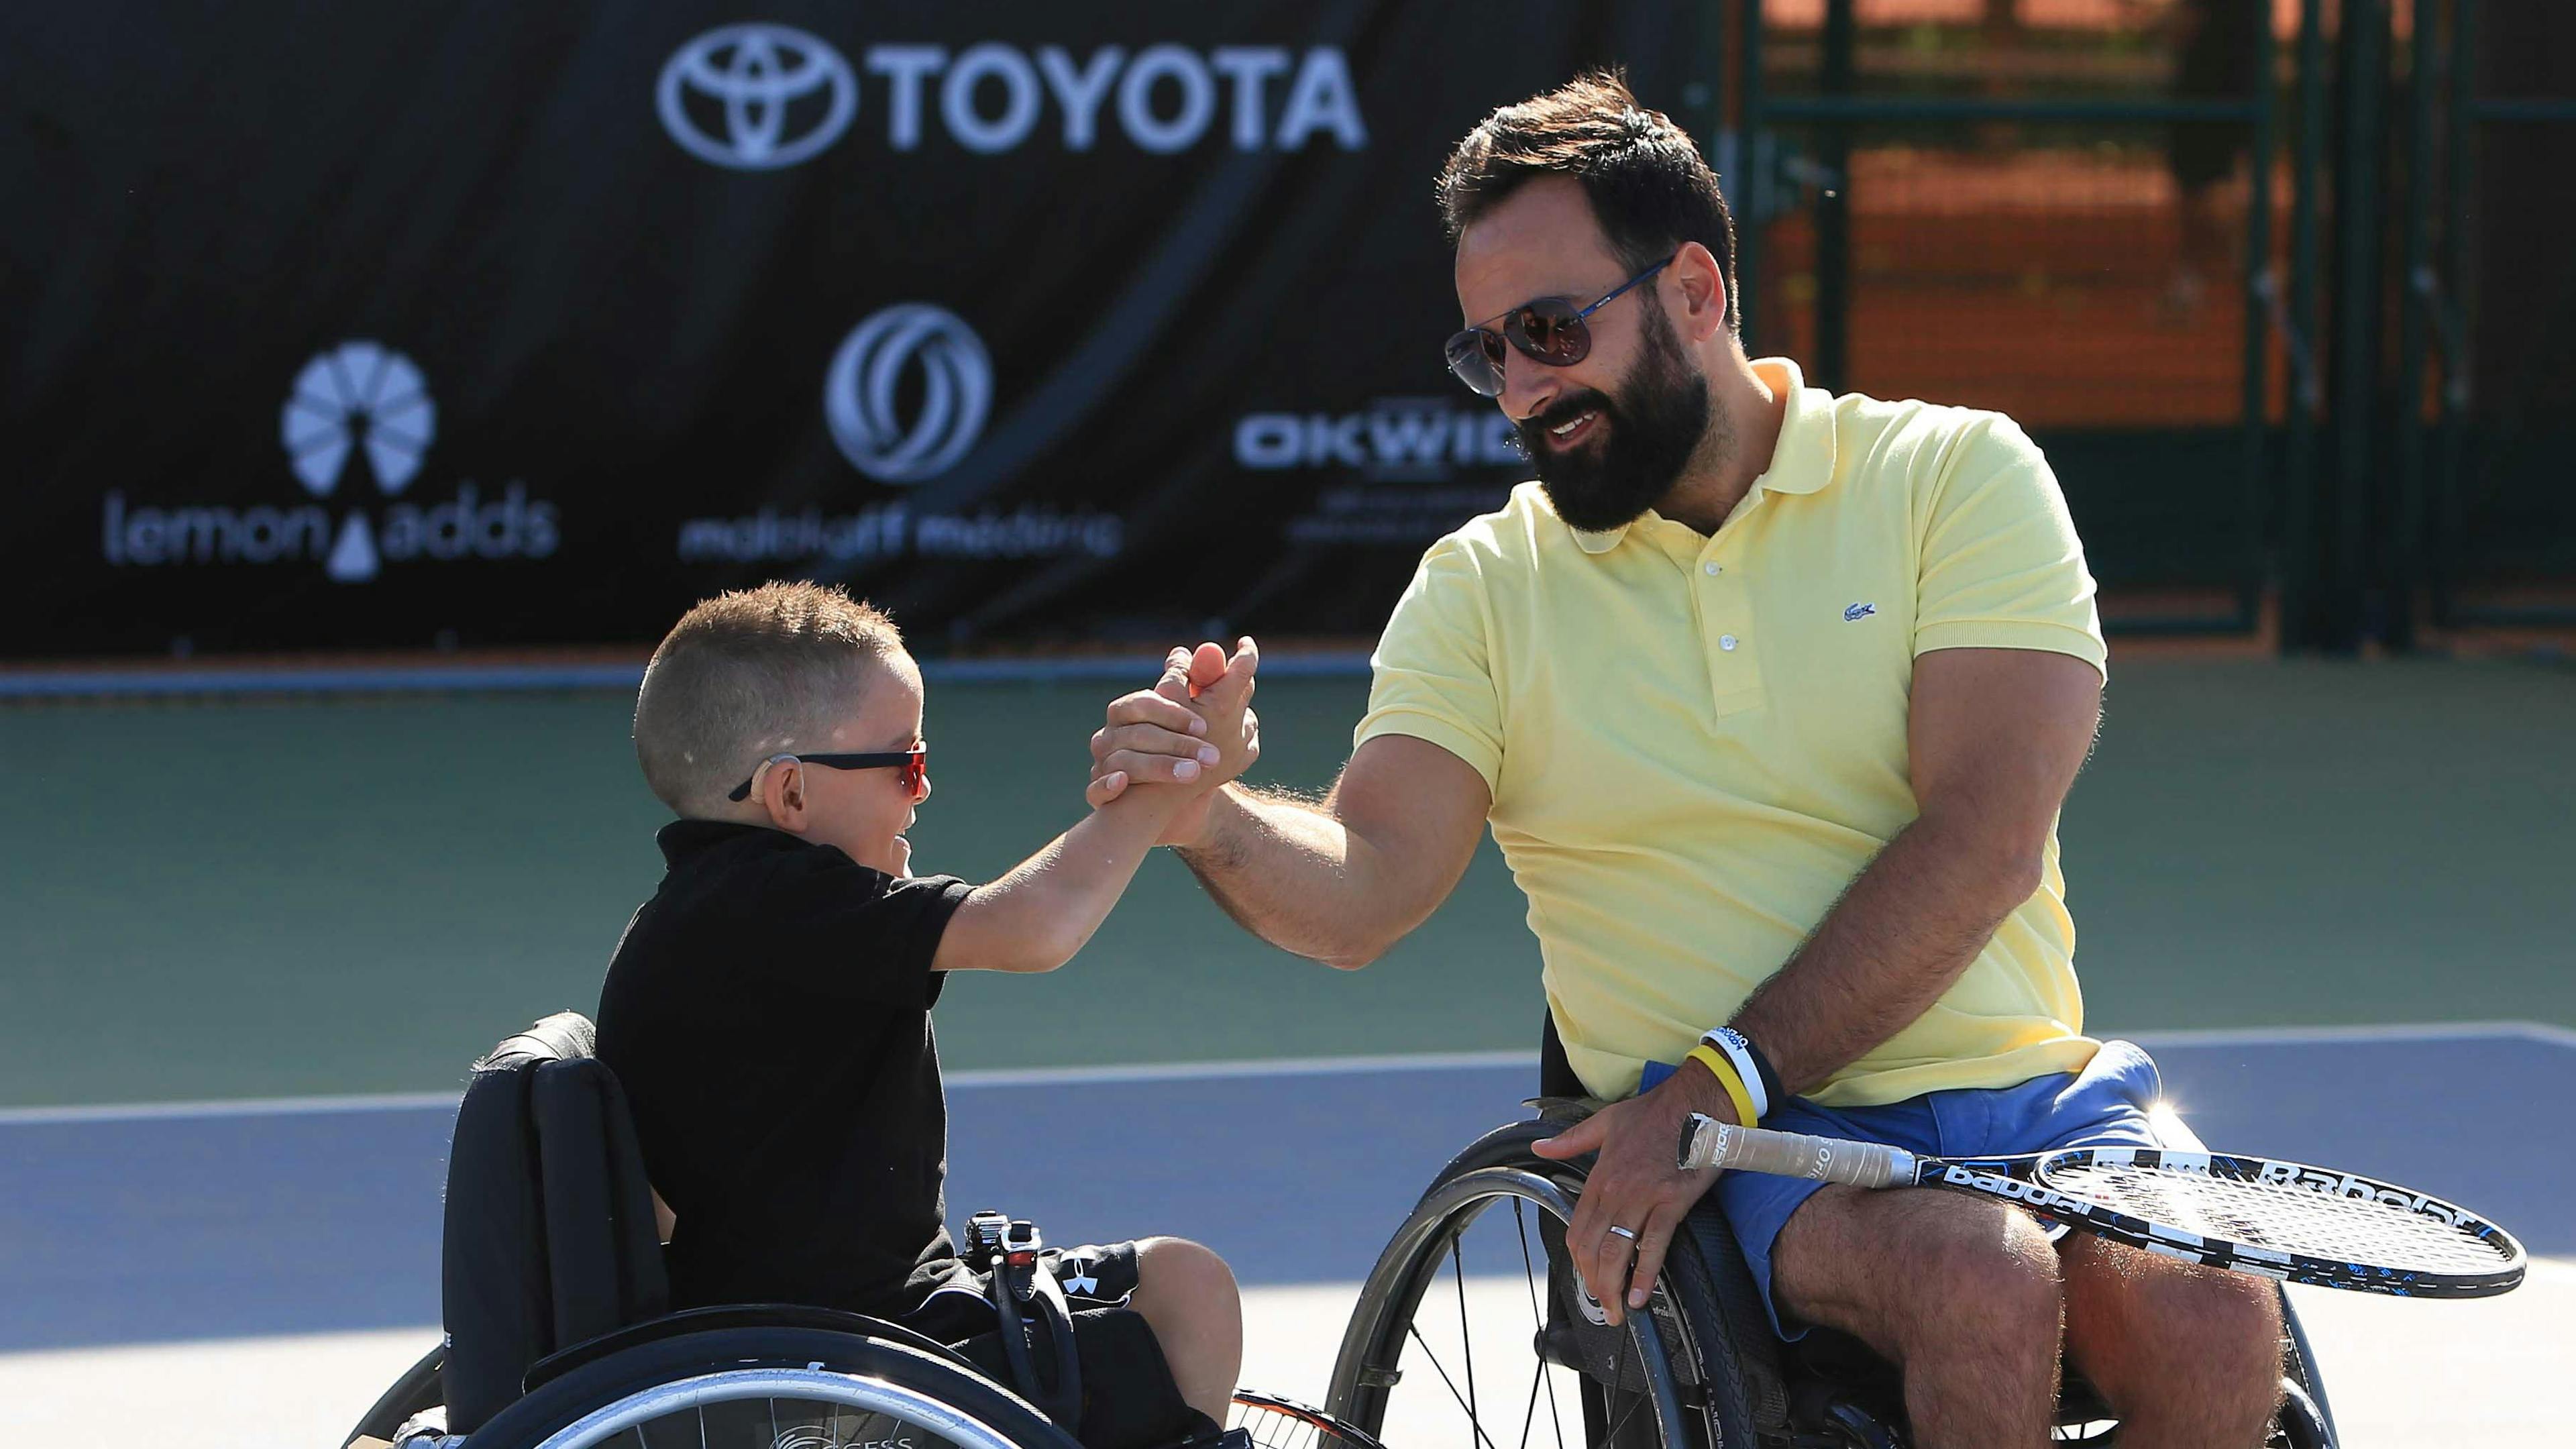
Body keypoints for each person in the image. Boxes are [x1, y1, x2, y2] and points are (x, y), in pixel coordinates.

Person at [1090, 74, 2284, 1449]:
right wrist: (1209, 819)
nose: (1524, 389)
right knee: (1980, 1278)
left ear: (1699, 291)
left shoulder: (1960, 478)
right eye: (1491, 354)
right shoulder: (1483, 588)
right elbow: (1365, 886)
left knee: (2214, 1315)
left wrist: (1721, 1075)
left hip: (2004, 1101)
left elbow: (1985, 841)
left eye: (1550, 330)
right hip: (1745, 1164)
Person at [597, 580, 1244, 1448]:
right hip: (848, 1363)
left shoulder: (704, 918)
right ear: (790, 796)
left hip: (846, 1329)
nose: (923, 791)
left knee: (1183, 1280)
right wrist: (1152, 799)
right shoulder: (772, 898)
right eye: (907, 764)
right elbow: (1032, 928)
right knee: (1190, 1300)